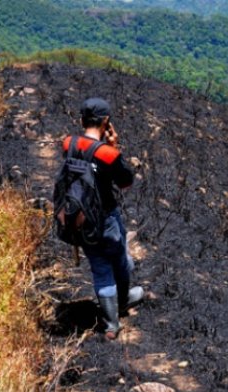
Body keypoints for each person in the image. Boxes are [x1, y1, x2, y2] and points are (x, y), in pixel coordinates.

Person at [62, 97, 143, 340]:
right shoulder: (108, 153)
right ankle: (123, 300)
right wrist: (115, 147)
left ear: (81, 120)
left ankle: (111, 326)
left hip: (79, 218)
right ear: (106, 121)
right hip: (105, 217)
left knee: (99, 267)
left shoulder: (68, 143)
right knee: (119, 259)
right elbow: (126, 182)